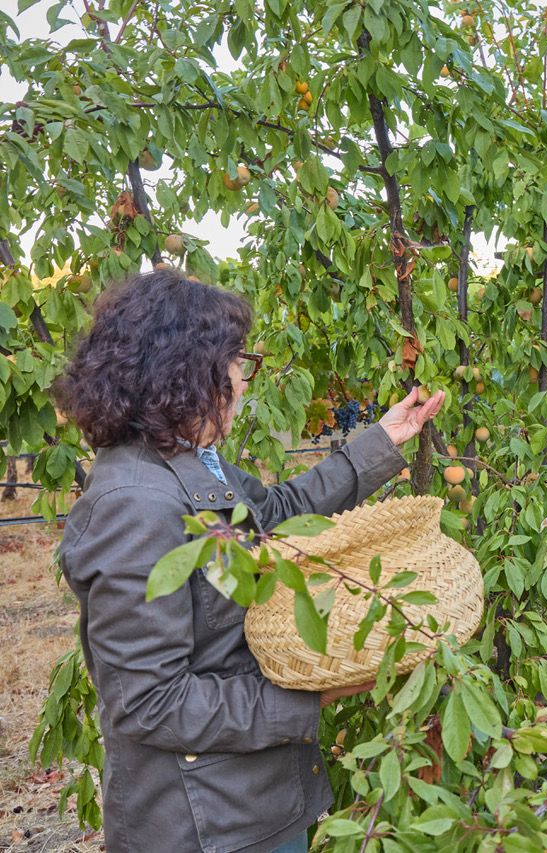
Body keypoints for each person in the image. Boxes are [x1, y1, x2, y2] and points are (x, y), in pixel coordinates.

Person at [54, 270, 446, 852]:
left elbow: (275, 515)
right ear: (188, 371)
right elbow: (151, 703)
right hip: (205, 826)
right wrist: (307, 697)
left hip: (245, 802)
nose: (242, 382)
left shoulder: (187, 466)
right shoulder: (136, 506)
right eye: (238, 364)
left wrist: (380, 442)